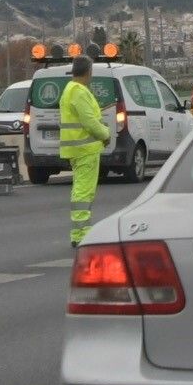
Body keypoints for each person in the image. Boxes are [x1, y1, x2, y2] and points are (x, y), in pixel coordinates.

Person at [60, 56, 111, 248]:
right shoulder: (79, 92)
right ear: (89, 71)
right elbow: (89, 121)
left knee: (81, 190)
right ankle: (81, 234)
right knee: (84, 192)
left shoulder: (69, 90)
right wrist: (105, 134)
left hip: (76, 148)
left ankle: (79, 232)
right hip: (85, 149)